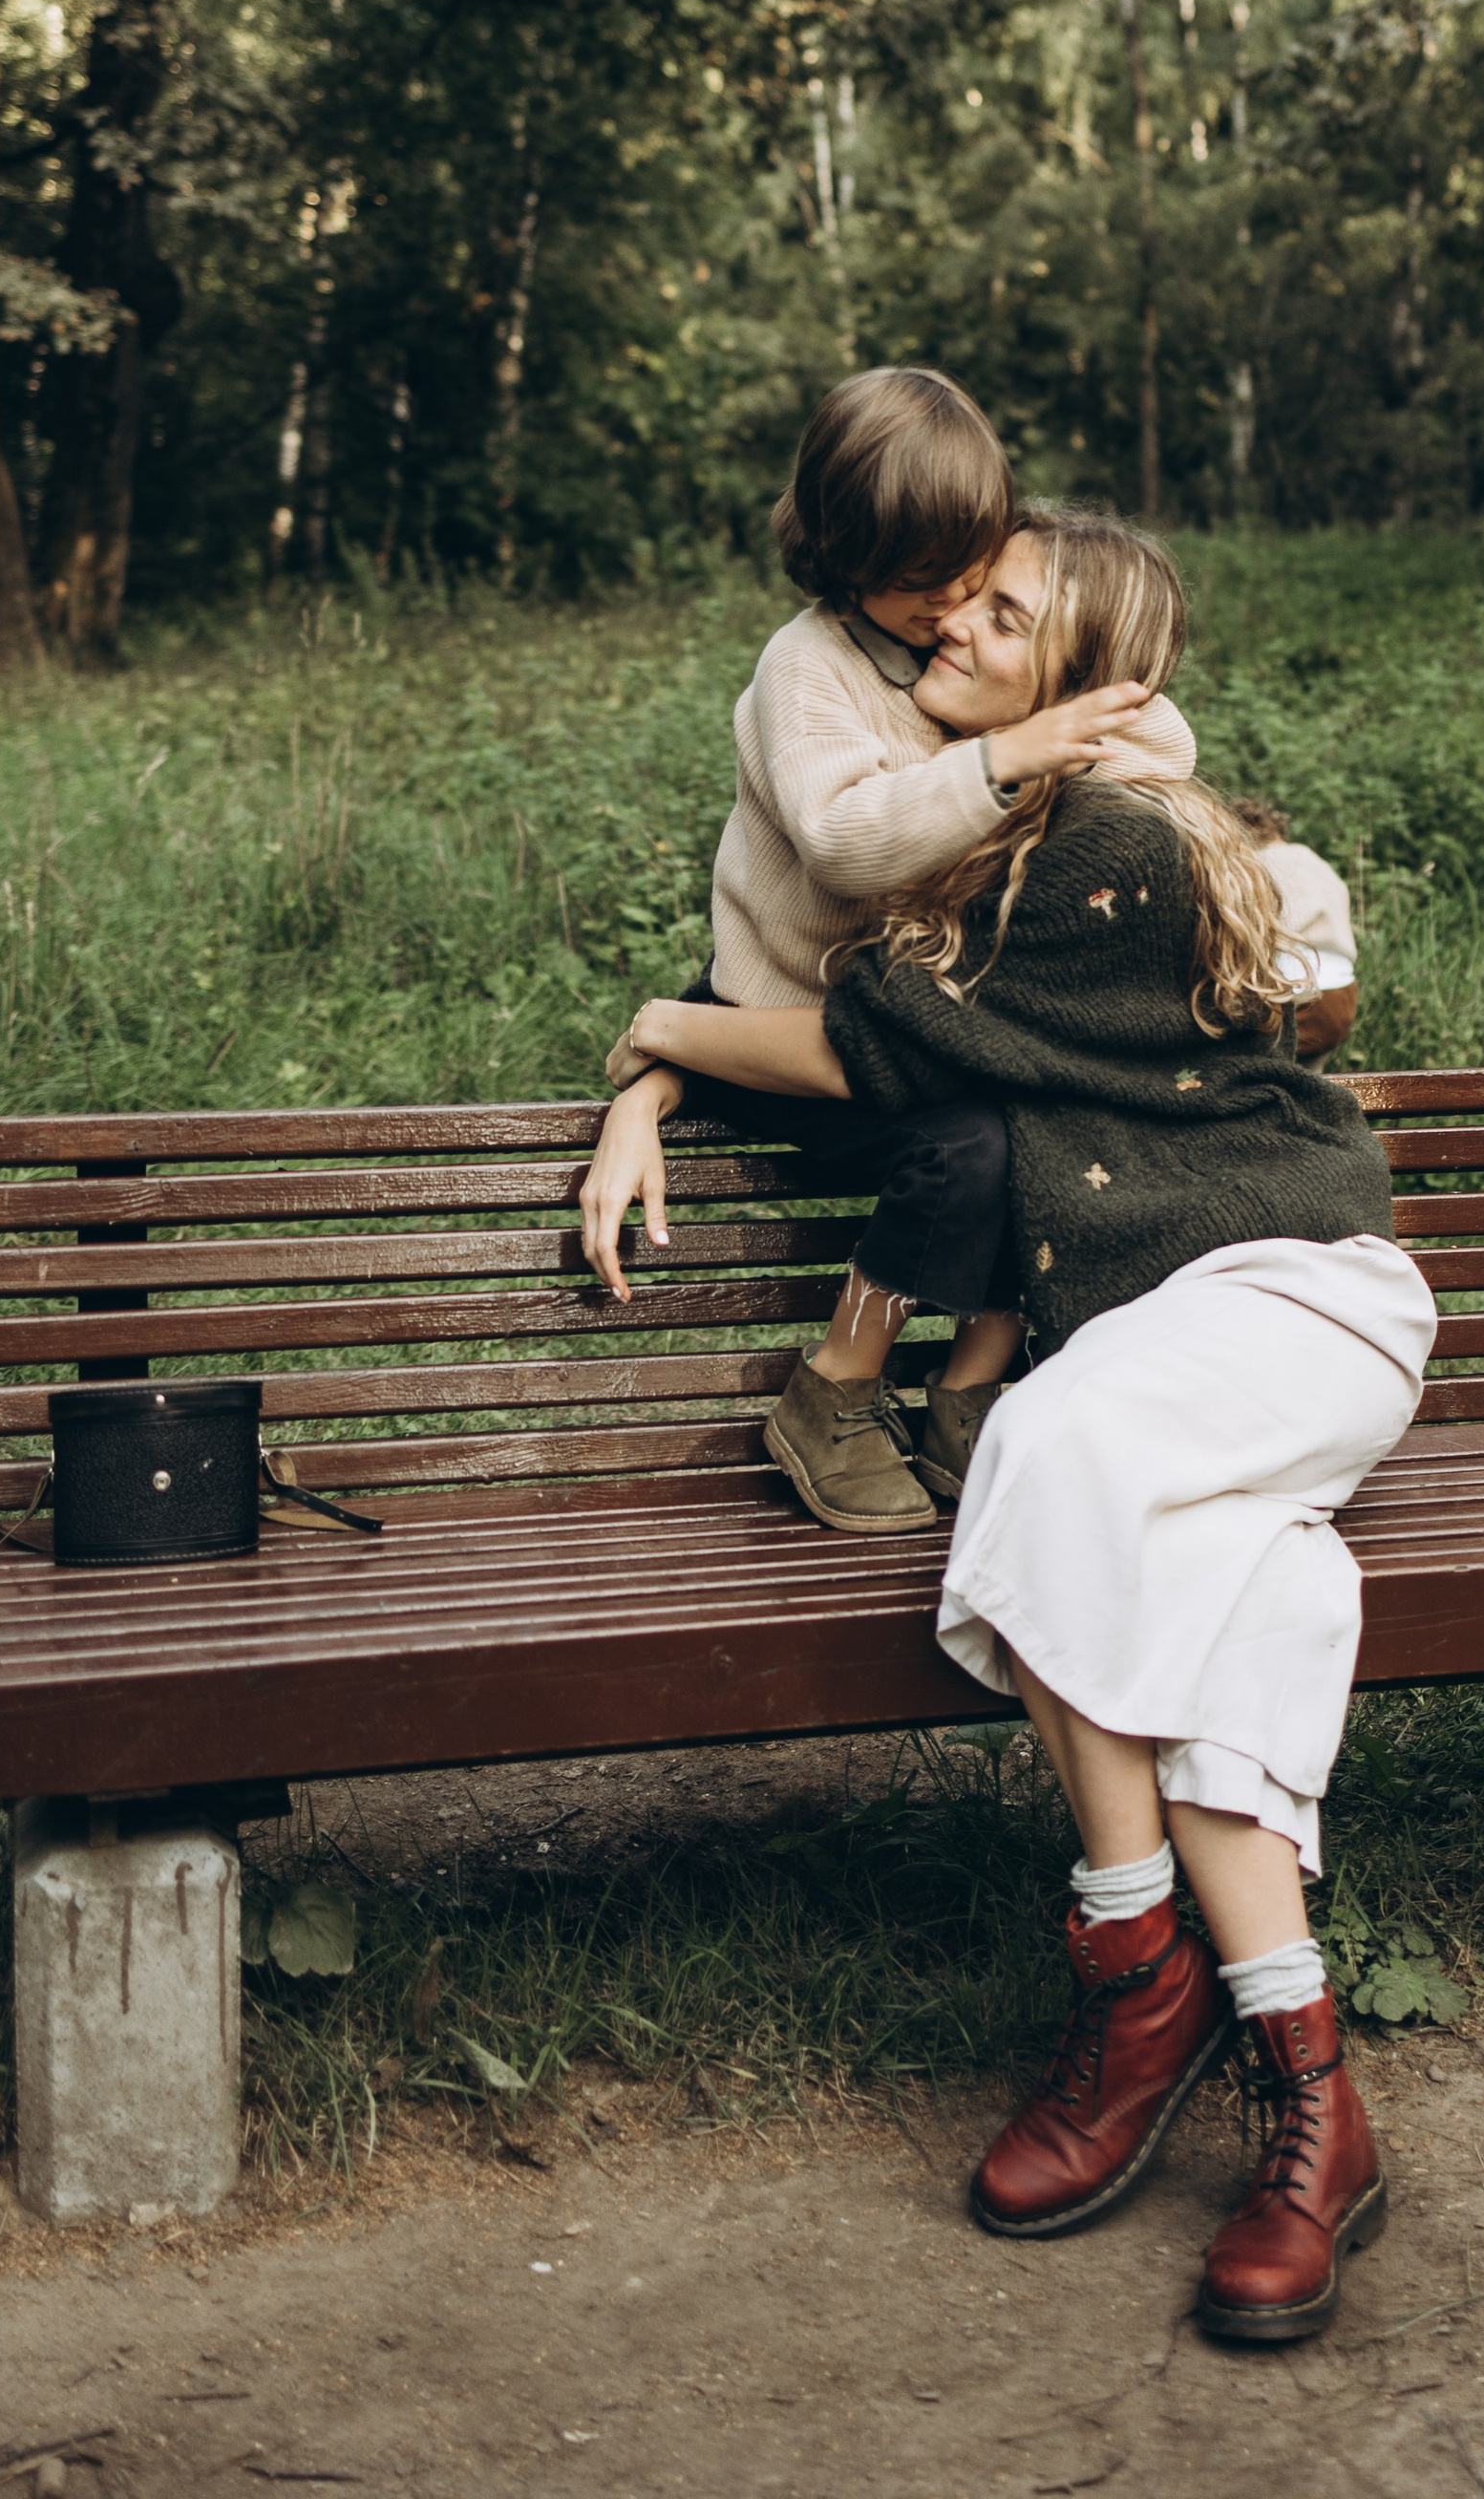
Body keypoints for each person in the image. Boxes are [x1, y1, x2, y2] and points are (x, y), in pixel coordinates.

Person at [586, 508, 1436, 2348]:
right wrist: (663, 1065)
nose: (949, 625)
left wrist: (650, 1035)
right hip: (1194, 1351)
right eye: (955, 600)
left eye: (1002, 610)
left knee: (1041, 1459)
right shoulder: (1041, 833)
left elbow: (855, 1037)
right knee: (1232, 1609)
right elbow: (861, 1012)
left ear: (1086, 682)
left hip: (1295, 1300)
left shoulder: (1102, 851)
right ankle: (1311, 2091)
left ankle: (1133, 1977)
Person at [587, 369, 1195, 1533]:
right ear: (841, 563)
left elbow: (1157, 728)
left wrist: (1071, 718)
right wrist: (1011, 752)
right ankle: (837, 1387)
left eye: (979, 570)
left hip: (923, 1014)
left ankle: (971, 1392)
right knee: (976, 1142)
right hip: (802, 1022)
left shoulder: (973, 628)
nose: (958, 603)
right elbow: (844, 843)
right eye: (926, 586)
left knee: (1064, 1113)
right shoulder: (807, 670)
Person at [1226, 796, 1359, 1059]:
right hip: (1341, 995)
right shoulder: (1317, 863)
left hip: (1290, 997)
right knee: (1309, 1070)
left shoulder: (1251, 864)